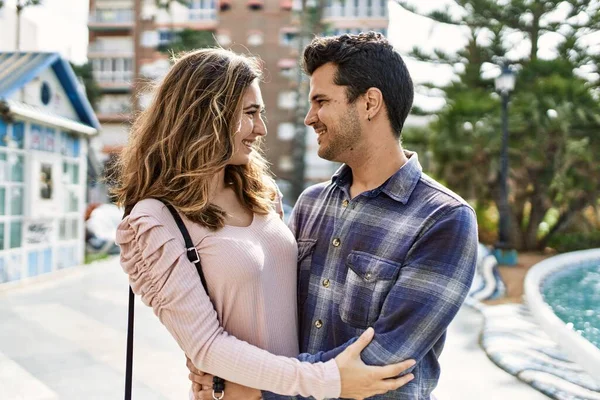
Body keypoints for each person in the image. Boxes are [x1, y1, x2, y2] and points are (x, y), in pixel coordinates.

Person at [114, 48, 416, 400]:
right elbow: (206, 346)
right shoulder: (152, 222)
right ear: (207, 115)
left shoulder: (261, 195)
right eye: (250, 113)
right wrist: (326, 380)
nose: (261, 128)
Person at [189, 32, 478, 400]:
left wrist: (259, 391)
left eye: (321, 101)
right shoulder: (310, 205)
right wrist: (218, 365)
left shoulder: (444, 219)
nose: (310, 118)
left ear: (370, 103)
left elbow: (387, 358)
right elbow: (269, 311)